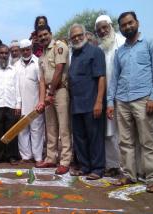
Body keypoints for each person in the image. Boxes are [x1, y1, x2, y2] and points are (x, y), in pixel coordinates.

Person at [107, 11, 153, 193]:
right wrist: (110, 102)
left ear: (137, 23)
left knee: (148, 141)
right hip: (122, 100)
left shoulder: (151, 44)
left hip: (143, 99)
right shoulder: (120, 52)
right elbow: (114, 79)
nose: (127, 27)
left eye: (130, 23)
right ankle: (129, 175)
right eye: (123, 25)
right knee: (125, 141)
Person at [68, 24, 106, 178]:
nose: (76, 38)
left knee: (95, 137)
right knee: (79, 138)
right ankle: (85, 166)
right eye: (73, 37)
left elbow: (101, 77)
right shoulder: (74, 55)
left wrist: (98, 102)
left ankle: (97, 169)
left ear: (85, 34)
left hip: (91, 103)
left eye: (79, 35)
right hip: (76, 104)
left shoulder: (96, 52)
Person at [35, 25, 72, 175]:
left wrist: (50, 93)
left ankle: (65, 161)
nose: (43, 38)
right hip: (48, 94)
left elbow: (59, 69)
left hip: (60, 91)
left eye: (45, 34)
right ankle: (50, 158)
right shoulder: (41, 55)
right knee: (50, 128)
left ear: (51, 33)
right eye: (40, 36)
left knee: (64, 128)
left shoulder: (59, 46)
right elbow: (42, 80)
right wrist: (42, 100)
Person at [95, 14, 126, 177]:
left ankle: (131, 168)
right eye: (99, 30)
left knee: (127, 133)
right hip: (107, 96)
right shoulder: (100, 49)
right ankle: (113, 165)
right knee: (109, 132)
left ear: (111, 25)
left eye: (104, 27)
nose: (102, 31)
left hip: (124, 94)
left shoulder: (122, 43)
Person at [0, 44, 20, 165]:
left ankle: (12, 156)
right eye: (1, 53)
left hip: (11, 105)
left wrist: (18, 104)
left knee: (11, 132)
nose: (4, 55)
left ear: (9, 55)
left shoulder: (14, 70)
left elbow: (17, 88)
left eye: (6, 53)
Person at [15, 39, 44, 164]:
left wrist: (41, 102)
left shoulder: (38, 63)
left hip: (35, 104)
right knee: (22, 131)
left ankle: (38, 158)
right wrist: (18, 104)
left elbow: (41, 84)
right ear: (20, 51)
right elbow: (15, 86)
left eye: (28, 49)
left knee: (36, 131)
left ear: (31, 48)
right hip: (21, 105)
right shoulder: (16, 65)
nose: (26, 52)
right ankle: (25, 156)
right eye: (23, 50)